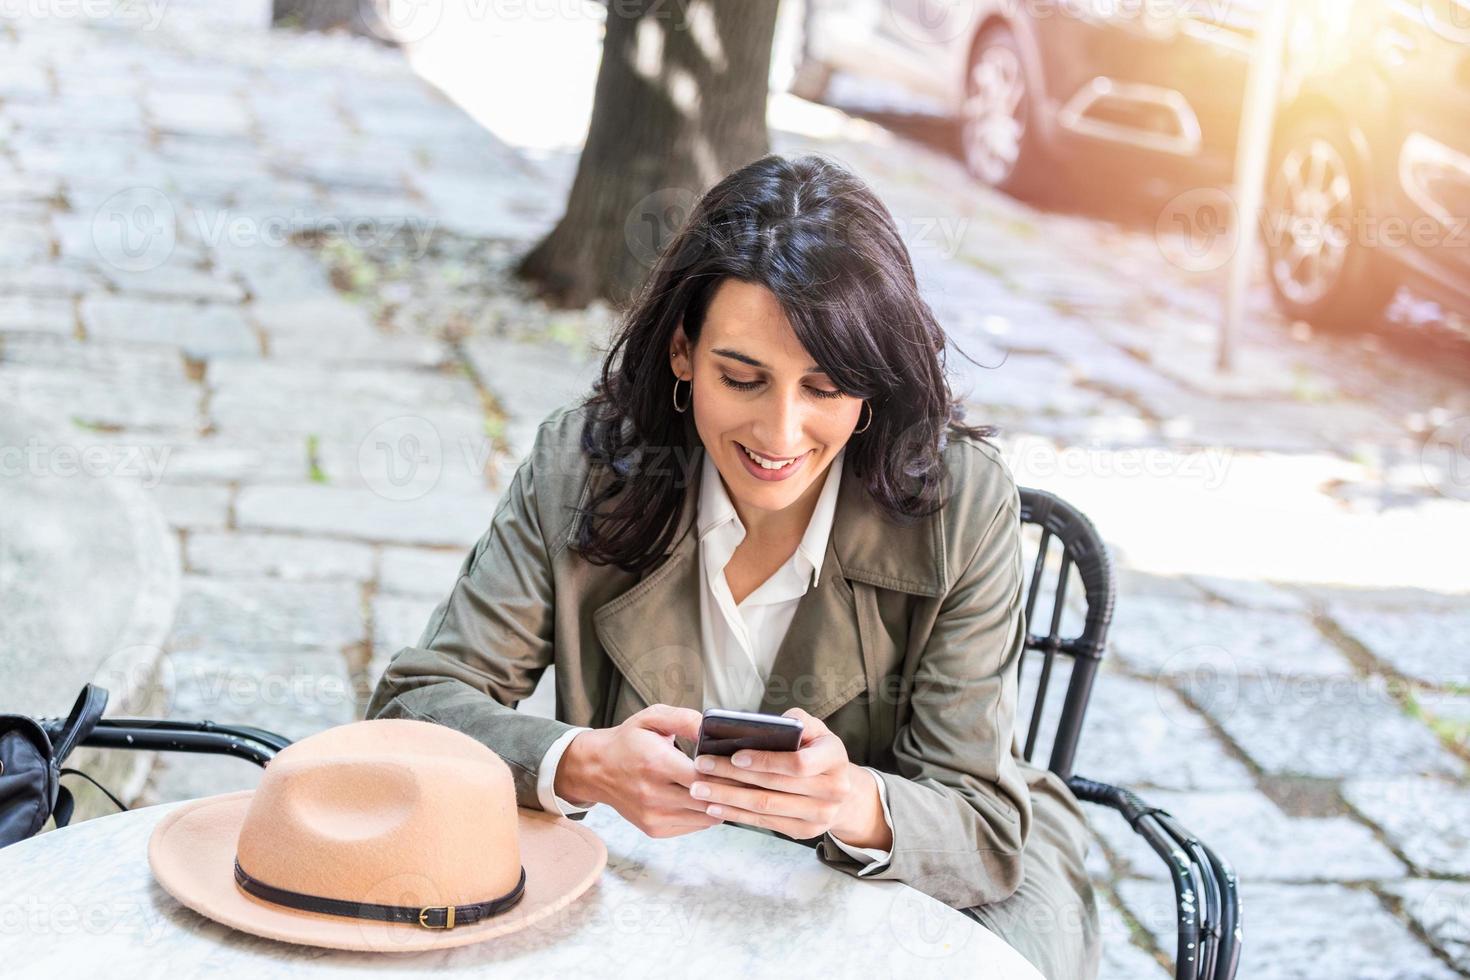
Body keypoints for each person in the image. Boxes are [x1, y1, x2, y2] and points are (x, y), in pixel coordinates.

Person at [366, 152, 1100, 978]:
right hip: (671, 888)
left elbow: (985, 833)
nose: (780, 436)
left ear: (875, 387)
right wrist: (582, 762)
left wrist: (852, 801)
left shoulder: (961, 506)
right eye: (742, 378)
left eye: (826, 389)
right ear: (683, 351)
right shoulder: (585, 469)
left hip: (922, 902)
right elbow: (412, 713)